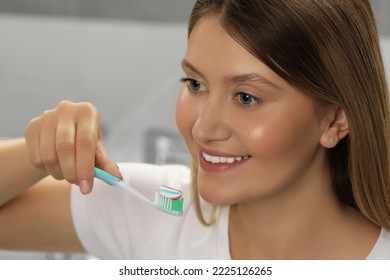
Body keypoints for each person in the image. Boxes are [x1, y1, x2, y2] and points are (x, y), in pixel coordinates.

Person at [0, 0, 390, 259]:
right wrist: (37, 153)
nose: (203, 128)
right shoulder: (148, 210)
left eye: (246, 97)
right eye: (195, 85)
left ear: (335, 120)